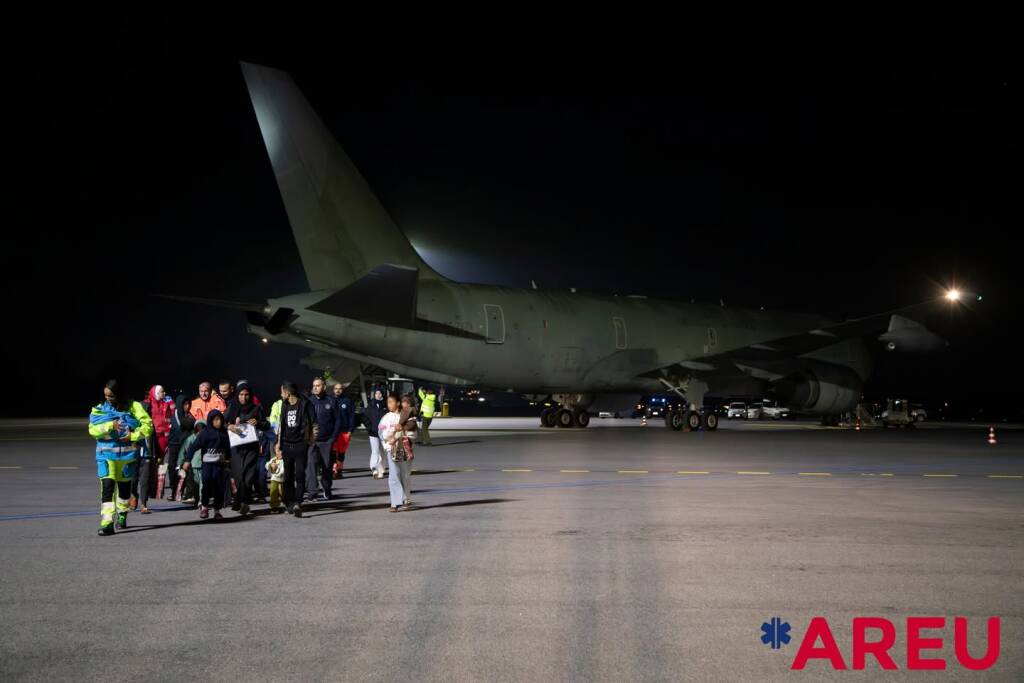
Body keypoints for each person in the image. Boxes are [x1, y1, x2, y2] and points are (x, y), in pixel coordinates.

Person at [88, 379, 154, 536]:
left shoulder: (133, 407)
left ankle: (122, 515)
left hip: (127, 457)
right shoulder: (99, 410)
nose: (108, 399)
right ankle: (107, 522)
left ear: (119, 394)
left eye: (111, 396)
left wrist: (133, 435)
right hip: (106, 456)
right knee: (107, 488)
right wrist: (110, 426)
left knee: (124, 489)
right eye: (106, 396)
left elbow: (148, 426)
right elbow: (93, 430)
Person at [225, 381, 268, 515]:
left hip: (251, 447)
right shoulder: (232, 407)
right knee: (239, 476)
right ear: (237, 395)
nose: (244, 397)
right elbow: (221, 422)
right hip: (236, 448)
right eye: (241, 395)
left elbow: (266, 425)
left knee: (248, 476)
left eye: (246, 395)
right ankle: (241, 500)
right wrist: (229, 426)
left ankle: (243, 502)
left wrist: (258, 422)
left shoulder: (256, 409)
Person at [276, 381, 318, 518]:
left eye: (282, 392)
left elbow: (314, 424)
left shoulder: (305, 404)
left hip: (301, 444)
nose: (281, 394)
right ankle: (290, 502)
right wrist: (279, 444)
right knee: (288, 477)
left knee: (300, 475)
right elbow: (281, 426)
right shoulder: (285, 405)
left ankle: (298, 503)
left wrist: (310, 442)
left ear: (287, 393)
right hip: (287, 445)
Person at [186, 409, 230, 520]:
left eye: (220, 419)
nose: (218, 422)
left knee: (218, 488)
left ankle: (217, 511)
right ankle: (204, 507)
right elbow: (194, 447)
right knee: (206, 486)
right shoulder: (205, 434)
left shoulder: (224, 433)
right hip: (207, 465)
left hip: (219, 465)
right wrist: (187, 460)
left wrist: (229, 460)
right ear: (210, 421)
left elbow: (228, 447)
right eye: (216, 420)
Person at [378, 393, 413, 512]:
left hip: (404, 449)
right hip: (391, 450)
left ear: (398, 403)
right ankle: (395, 502)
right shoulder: (386, 417)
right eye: (388, 403)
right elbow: (381, 432)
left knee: (405, 475)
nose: (389, 405)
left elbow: (412, 431)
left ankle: (405, 498)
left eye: (391, 402)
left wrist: (401, 434)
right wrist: (388, 438)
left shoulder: (405, 416)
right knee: (393, 475)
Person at [307, 377, 340, 501]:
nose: (315, 387)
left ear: (324, 387)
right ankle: (312, 492)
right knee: (311, 466)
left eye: (318, 385)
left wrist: (333, 438)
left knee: (327, 467)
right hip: (312, 441)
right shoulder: (309, 402)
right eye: (314, 385)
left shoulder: (331, 401)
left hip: (327, 441)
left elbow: (337, 421)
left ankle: (327, 489)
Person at [143, 385, 174, 499]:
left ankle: (158, 490)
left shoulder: (166, 403)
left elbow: (173, 413)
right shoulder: (147, 404)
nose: (164, 393)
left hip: (166, 437)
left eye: (164, 391)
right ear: (155, 393)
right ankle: (151, 488)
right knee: (153, 463)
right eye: (161, 392)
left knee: (162, 464)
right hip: (154, 437)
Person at [166, 394, 194, 500]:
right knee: (172, 468)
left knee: (184, 469)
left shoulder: (190, 416)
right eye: (184, 404)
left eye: (188, 404)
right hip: (174, 446)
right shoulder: (174, 417)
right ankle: (174, 490)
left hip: (185, 446)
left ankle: (181, 491)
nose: (187, 406)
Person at [176, 419, 204, 506]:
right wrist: (179, 464)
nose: (200, 432)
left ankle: (201, 500)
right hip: (193, 464)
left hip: (204, 463)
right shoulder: (191, 439)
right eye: (198, 429)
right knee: (195, 483)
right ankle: (197, 498)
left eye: (202, 429)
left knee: (202, 483)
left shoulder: (207, 438)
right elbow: (183, 451)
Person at [331, 382, 355, 479]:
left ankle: (339, 471)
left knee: (341, 453)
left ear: (342, 390)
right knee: (333, 452)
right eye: (336, 388)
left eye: (340, 388)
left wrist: (350, 430)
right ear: (333, 390)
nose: (338, 390)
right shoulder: (330, 400)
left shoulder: (347, 401)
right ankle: (334, 471)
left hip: (344, 432)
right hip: (332, 432)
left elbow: (352, 417)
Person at [363, 385, 388, 479]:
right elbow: (365, 417)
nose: (378, 395)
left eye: (380, 393)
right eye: (376, 393)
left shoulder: (386, 406)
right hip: (373, 432)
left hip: (384, 433)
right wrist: (369, 427)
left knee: (382, 451)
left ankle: (381, 470)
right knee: (375, 451)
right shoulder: (370, 405)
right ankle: (374, 468)